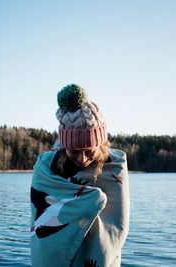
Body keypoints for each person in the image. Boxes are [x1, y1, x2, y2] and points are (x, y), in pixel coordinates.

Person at [30, 84, 130, 267]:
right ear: (64, 146)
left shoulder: (113, 166)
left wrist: (88, 200)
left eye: (89, 151)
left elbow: (116, 225)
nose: (82, 159)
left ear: (99, 144)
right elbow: (42, 219)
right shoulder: (47, 167)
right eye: (74, 151)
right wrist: (92, 199)